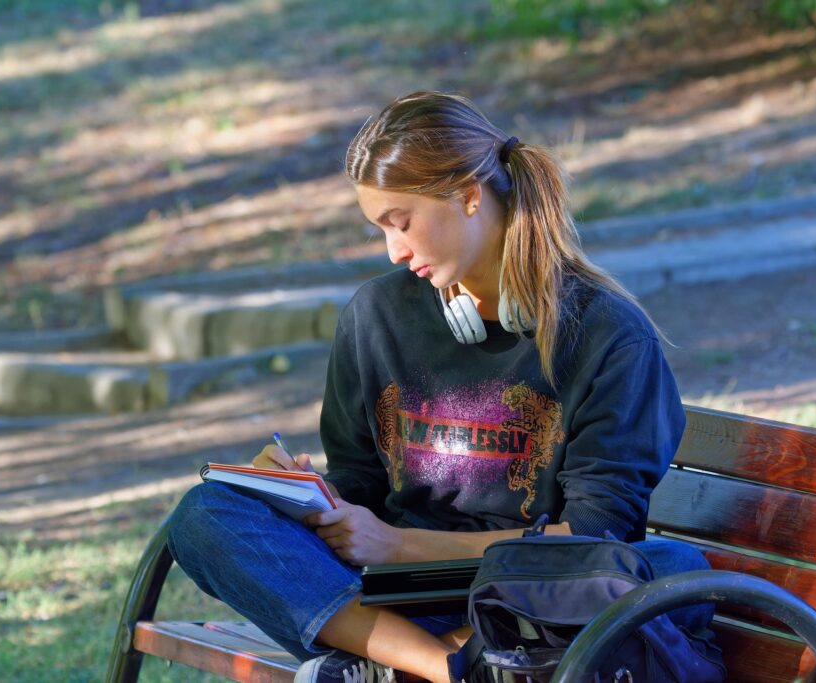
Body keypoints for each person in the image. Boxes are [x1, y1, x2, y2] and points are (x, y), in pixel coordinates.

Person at [167, 91, 717, 683]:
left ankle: (381, 666)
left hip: (534, 602)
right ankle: (445, 669)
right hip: (390, 603)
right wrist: (301, 500)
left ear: (469, 195)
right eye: (380, 229)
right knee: (205, 514)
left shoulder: (608, 336)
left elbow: (593, 534)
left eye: (401, 222)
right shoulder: (376, 317)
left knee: (670, 565)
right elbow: (360, 484)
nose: (393, 251)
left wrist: (398, 546)